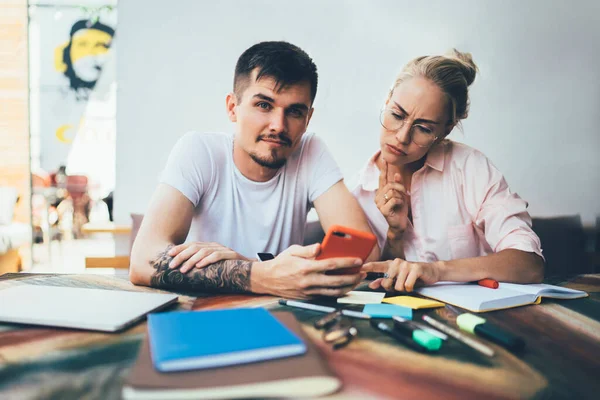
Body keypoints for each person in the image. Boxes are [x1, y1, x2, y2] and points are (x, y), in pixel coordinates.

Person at [130, 41, 378, 299]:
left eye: (294, 112)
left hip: (280, 315)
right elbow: (142, 262)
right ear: (232, 108)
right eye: (264, 105)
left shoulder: (309, 151)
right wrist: (259, 274)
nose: (278, 126)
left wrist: (250, 265)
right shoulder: (199, 150)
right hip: (204, 312)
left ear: (307, 120)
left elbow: (364, 254)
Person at [354, 50, 544, 293]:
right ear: (387, 99)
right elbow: (376, 282)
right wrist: (395, 235)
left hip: (480, 316)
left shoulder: (469, 168)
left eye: (423, 128)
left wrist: (437, 270)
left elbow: (530, 264)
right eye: (396, 115)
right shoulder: (356, 193)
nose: (402, 137)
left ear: (445, 131)